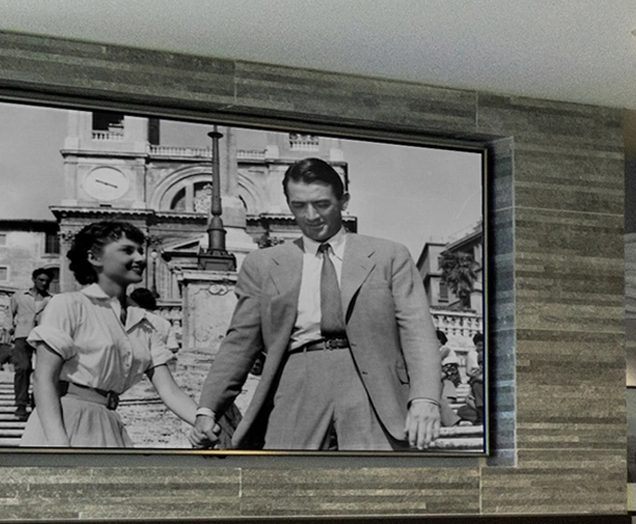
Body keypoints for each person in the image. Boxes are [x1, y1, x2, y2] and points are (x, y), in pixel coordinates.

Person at [197, 157, 445, 452]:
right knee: (287, 486)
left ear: (344, 201)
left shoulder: (388, 256)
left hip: (373, 388)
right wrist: (207, 409)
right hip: (295, 385)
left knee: (377, 485)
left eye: (322, 204)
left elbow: (417, 331)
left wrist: (425, 399)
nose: (311, 215)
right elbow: (239, 342)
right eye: (299, 205)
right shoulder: (263, 265)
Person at [22, 221, 201, 449]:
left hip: (108, 422)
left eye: (139, 250)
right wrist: (59, 446)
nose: (141, 258)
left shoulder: (144, 323)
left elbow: (169, 390)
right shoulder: (69, 305)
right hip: (66, 420)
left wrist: (203, 420)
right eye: (127, 250)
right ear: (94, 258)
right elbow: (43, 379)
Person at [0, 264, 58, 422]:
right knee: (23, 368)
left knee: (42, 372)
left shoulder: (51, 300)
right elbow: (9, 314)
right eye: (41, 280)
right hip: (22, 335)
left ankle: (38, 402)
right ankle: (21, 404)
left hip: (43, 337)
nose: (44, 283)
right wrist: (8, 329)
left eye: (47, 281)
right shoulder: (19, 296)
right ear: (34, 280)